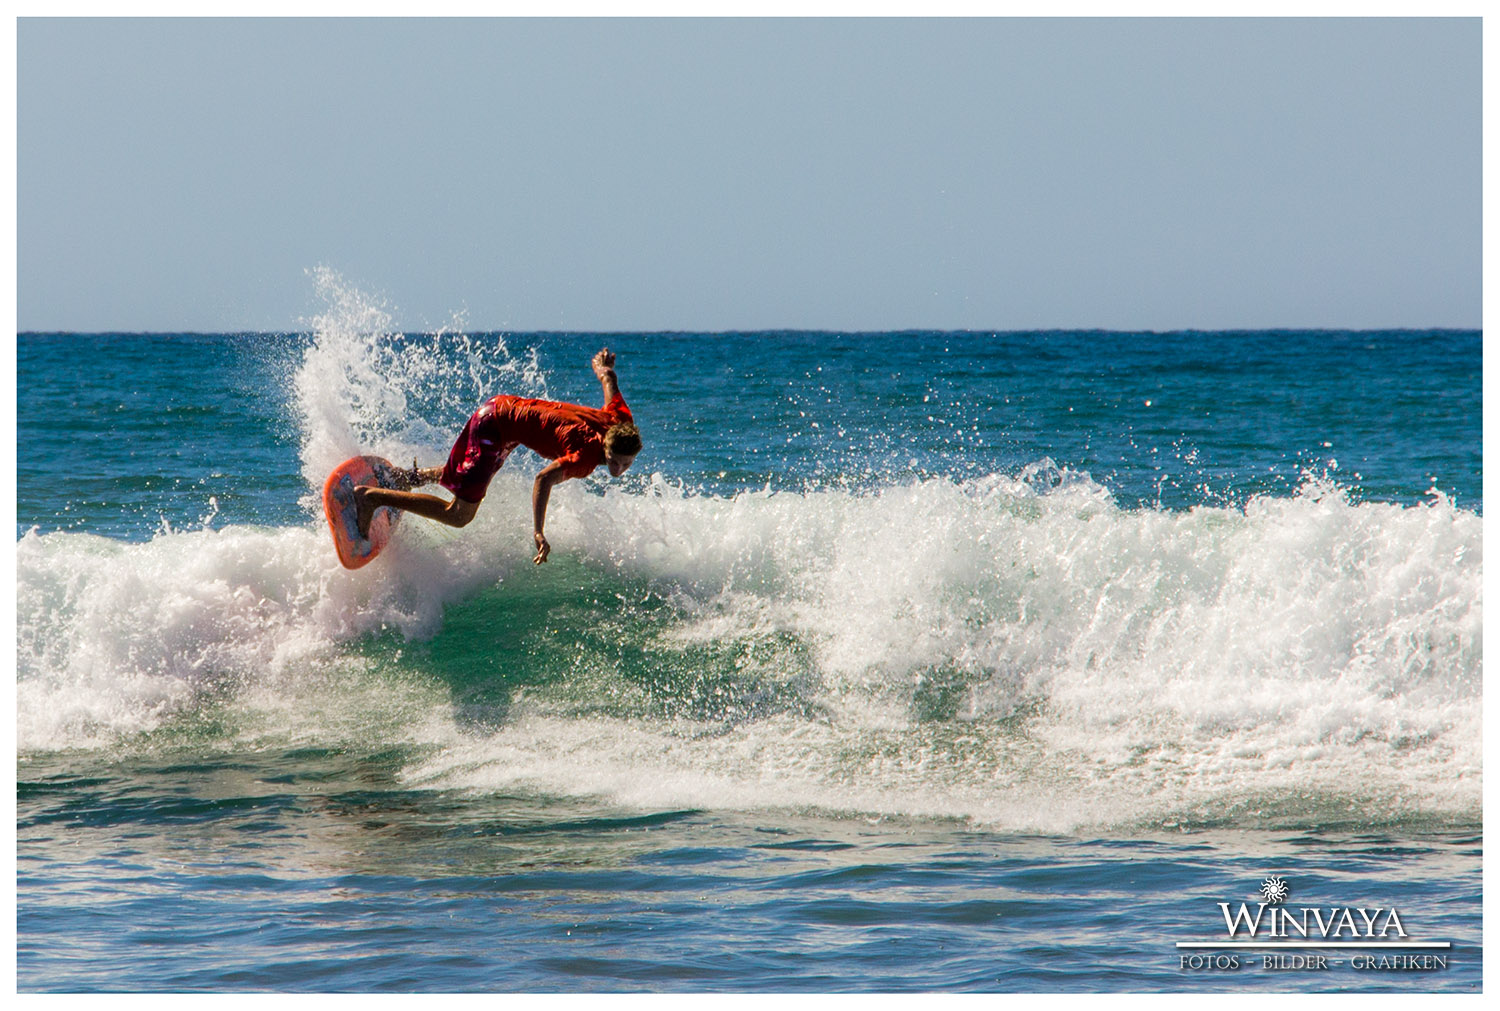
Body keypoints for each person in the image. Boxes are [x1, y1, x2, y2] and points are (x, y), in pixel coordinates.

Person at [354, 348, 641, 564]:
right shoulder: (585, 458)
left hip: (502, 409)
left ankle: (406, 478)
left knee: (471, 472)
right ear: (605, 445)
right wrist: (539, 531)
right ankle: (371, 497)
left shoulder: (620, 418)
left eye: (626, 464)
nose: (618, 469)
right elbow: (543, 479)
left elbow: (608, 380)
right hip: (495, 427)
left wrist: (602, 366)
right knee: (459, 514)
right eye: (614, 460)